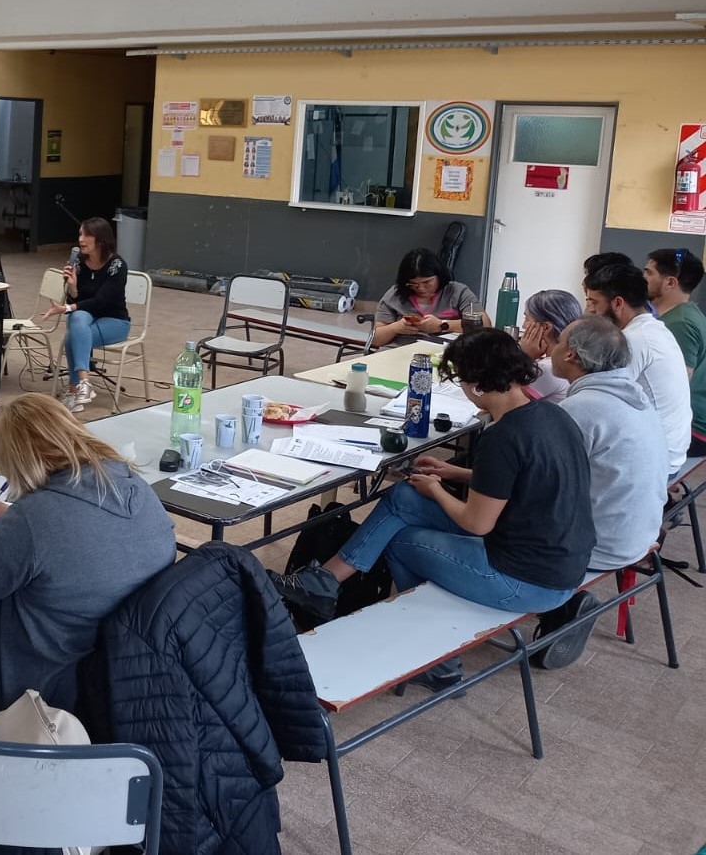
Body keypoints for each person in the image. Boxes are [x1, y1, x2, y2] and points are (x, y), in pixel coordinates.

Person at [272, 329, 597, 686]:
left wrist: (437, 490)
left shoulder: (502, 438)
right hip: (564, 563)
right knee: (403, 498)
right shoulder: (550, 415)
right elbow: (523, 480)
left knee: (401, 541)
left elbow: (477, 524)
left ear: (475, 386)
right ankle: (323, 582)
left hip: (526, 580)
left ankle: (436, 659)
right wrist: (453, 472)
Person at [0, 393, 176, 731]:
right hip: (128, 662)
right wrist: (14, 517)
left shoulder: (35, 519)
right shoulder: (131, 485)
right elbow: (84, 532)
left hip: (53, 672)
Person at [536, 315, 669, 667]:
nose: (552, 349)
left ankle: (554, 603)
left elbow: (537, 485)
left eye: (559, 342)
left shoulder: (581, 409)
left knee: (482, 520)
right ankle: (561, 606)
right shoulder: (635, 395)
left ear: (574, 357)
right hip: (641, 535)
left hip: (598, 547)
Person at [583, 260, 691, 473]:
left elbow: (599, 401)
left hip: (656, 462)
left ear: (618, 304)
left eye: (594, 303)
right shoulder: (654, 329)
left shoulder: (633, 340)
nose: (590, 311)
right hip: (669, 450)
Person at [41, 217, 131, 413]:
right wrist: (72, 287)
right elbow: (79, 301)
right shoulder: (80, 262)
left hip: (115, 321)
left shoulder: (117, 266)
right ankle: (84, 383)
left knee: (72, 334)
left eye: (86, 235)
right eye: (80, 234)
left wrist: (66, 308)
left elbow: (100, 302)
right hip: (87, 319)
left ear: (100, 239)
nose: (81, 239)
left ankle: (75, 391)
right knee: (78, 319)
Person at [645, 247, 706, 457]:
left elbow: (675, 388)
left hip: (692, 430)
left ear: (670, 282)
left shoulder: (679, 323)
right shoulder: (686, 315)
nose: (643, 278)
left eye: (649, 273)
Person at [371, 248, 487, 347]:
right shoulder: (395, 295)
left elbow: (485, 325)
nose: (421, 288)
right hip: (398, 350)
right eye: (414, 284)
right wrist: (396, 328)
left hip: (445, 352)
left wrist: (442, 325)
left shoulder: (458, 292)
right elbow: (375, 340)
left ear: (439, 275)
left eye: (427, 282)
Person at [517, 290, 583, 403]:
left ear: (546, 327)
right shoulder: (571, 361)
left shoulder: (548, 368)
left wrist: (524, 357)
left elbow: (503, 402)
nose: (523, 326)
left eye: (527, 319)